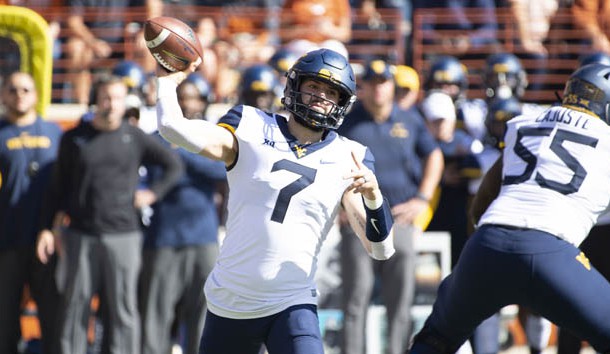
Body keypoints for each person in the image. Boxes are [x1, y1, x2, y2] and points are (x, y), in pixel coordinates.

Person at [155, 48, 397, 354]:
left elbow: (381, 249)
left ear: (342, 101)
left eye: (331, 92)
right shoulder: (251, 125)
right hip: (232, 298)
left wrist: (374, 197)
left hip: (292, 300)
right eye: (313, 87)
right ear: (294, 86)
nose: (322, 96)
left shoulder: (350, 156)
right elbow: (173, 130)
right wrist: (166, 82)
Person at [408, 62, 610, 354]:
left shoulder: (522, 124)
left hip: (487, 244)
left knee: (435, 340)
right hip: (550, 252)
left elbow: (482, 204)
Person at [35, 75, 183, 354]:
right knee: (75, 307)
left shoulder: (134, 136)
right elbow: (57, 188)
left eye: (117, 98)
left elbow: (173, 164)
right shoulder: (74, 139)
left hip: (124, 236)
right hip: (81, 235)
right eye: (105, 97)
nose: (111, 104)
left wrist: (152, 193)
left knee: (123, 310)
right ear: (95, 99)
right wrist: (47, 228)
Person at [337, 59, 444, 354]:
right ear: (364, 87)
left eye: (383, 82)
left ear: (392, 85)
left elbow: (434, 155)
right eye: (372, 82)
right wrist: (340, 206)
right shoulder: (349, 120)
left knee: (400, 303)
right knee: (355, 301)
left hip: (399, 218)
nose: (378, 88)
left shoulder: (409, 119)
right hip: (359, 219)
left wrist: (422, 198)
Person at [139, 76, 227, 354]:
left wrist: (181, 149)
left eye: (194, 97)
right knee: (157, 316)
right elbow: (146, 180)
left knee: (203, 317)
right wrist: (179, 153)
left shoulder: (210, 136)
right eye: (183, 97)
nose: (188, 103)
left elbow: (220, 171)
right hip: (163, 237)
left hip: (203, 236)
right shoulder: (153, 139)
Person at [0, 72, 63, 354]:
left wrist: (55, 228)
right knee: (5, 320)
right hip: (7, 241)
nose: (19, 95)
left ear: (36, 95)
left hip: (46, 241)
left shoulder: (54, 133)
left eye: (26, 89)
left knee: (52, 317)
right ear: (3, 96)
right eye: (13, 90)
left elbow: (67, 188)